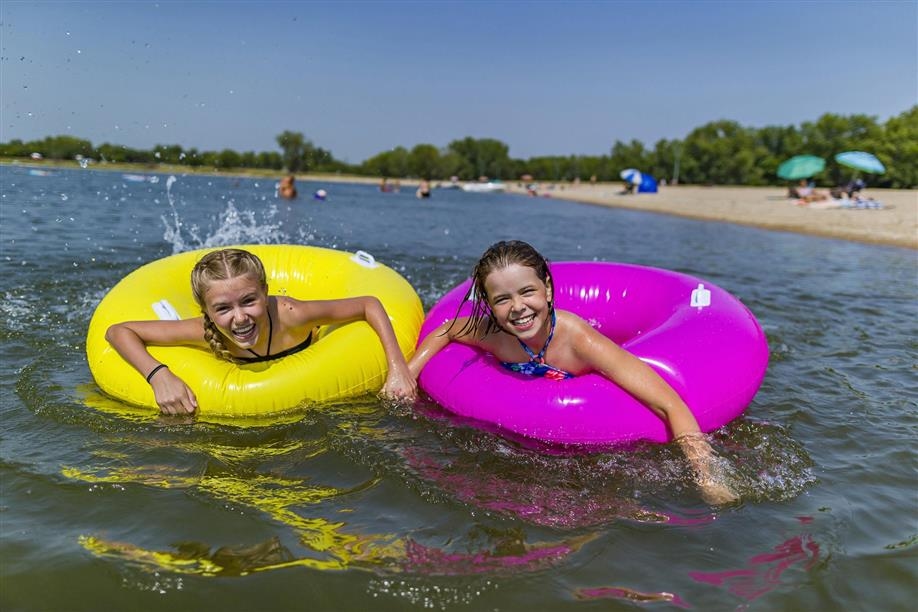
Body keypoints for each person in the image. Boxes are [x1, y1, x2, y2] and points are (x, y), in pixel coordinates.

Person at [407, 240, 738, 505]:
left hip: (587, 450)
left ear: (547, 289)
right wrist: (407, 374)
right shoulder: (493, 333)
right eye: (502, 299)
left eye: (527, 292)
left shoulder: (579, 342)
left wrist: (707, 476)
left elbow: (669, 403)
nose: (518, 308)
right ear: (490, 306)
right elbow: (448, 329)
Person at [106, 248, 417, 416]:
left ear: (265, 293)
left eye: (249, 301)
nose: (240, 318)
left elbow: (369, 303)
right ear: (206, 311)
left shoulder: (291, 315)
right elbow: (118, 331)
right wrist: (158, 374)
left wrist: (397, 367)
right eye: (223, 308)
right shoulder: (204, 331)